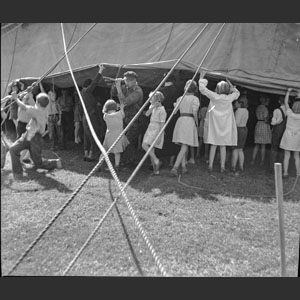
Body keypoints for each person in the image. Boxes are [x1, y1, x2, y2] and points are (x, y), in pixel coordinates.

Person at [9, 90, 62, 180]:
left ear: (37, 103)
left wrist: (16, 98)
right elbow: (40, 101)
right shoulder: (45, 108)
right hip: (28, 135)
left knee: (38, 163)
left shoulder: (36, 111)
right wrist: (29, 92)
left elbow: (23, 106)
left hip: (35, 139)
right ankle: (18, 173)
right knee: (13, 149)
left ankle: (55, 163)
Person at [198, 73, 240, 173]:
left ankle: (211, 166)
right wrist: (230, 85)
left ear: (217, 88)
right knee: (223, 146)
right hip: (225, 125)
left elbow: (202, 89)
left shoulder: (214, 96)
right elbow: (237, 92)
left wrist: (201, 77)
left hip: (215, 124)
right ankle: (222, 167)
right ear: (227, 90)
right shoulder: (229, 98)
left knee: (213, 145)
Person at [114, 71, 143, 168]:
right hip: (126, 118)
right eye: (125, 81)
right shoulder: (126, 88)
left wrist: (118, 88)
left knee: (129, 141)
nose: (126, 83)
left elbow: (125, 102)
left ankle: (129, 162)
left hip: (134, 120)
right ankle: (128, 161)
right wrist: (115, 85)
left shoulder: (137, 91)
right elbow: (114, 94)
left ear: (134, 81)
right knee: (124, 140)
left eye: (128, 81)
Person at [170, 80, 200, 176]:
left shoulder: (180, 98)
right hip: (189, 121)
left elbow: (174, 112)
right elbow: (195, 112)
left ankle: (183, 167)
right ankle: (175, 167)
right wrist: (196, 122)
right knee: (185, 145)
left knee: (183, 144)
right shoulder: (195, 99)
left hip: (181, 120)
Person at [80, 65, 104, 161]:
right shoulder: (86, 91)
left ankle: (86, 154)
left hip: (84, 117)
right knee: (94, 135)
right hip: (91, 117)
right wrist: (100, 71)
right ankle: (91, 155)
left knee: (86, 136)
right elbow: (94, 83)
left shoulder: (82, 93)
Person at [158, 72, 181, 167]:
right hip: (173, 115)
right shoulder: (178, 90)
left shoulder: (160, 91)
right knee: (172, 137)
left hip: (161, 115)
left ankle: (159, 159)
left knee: (160, 137)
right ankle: (171, 161)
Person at [100, 99, 129, 172]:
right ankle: (117, 166)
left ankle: (99, 165)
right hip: (118, 136)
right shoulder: (119, 114)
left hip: (109, 136)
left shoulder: (105, 116)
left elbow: (105, 112)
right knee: (117, 152)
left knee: (104, 151)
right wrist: (121, 107)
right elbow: (123, 114)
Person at [142, 91, 167, 175]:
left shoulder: (162, 110)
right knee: (151, 150)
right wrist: (153, 107)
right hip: (150, 128)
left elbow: (162, 124)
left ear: (158, 100)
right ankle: (155, 168)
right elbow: (147, 114)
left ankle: (156, 162)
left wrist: (159, 136)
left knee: (145, 145)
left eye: (151, 99)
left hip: (156, 129)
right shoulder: (152, 107)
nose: (150, 101)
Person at [279, 88, 300, 178]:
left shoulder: (289, 112)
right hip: (297, 136)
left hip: (288, 135)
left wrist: (288, 92)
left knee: (286, 155)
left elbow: (286, 102)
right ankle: (298, 173)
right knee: (296, 155)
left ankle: (285, 172)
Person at [39, 82, 63, 151]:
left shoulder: (57, 102)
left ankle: (61, 145)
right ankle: (53, 146)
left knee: (60, 133)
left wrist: (60, 120)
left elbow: (60, 112)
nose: (54, 97)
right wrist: (40, 83)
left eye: (54, 95)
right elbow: (43, 92)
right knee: (51, 133)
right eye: (52, 95)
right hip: (50, 118)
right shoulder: (48, 101)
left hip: (57, 117)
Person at [251, 95, 272, 166]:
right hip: (264, 125)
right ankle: (262, 161)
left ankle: (253, 159)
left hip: (258, 124)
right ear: (265, 101)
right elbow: (266, 119)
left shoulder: (258, 107)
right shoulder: (265, 109)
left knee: (256, 144)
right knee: (263, 145)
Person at [231, 96, 249, 175]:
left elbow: (237, 122)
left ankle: (233, 166)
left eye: (236, 102)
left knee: (235, 149)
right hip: (244, 129)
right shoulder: (246, 111)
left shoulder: (238, 111)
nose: (235, 104)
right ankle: (241, 166)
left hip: (238, 129)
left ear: (240, 103)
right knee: (240, 149)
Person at [269, 95, 287, 172]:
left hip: (277, 130)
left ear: (279, 101)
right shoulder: (288, 110)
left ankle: (272, 167)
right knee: (282, 149)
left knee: (274, 148)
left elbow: (273, 123)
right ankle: (282, 167)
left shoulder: (276, 110)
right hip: (285, 130)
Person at [196, 96, 209, 161]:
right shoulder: (210, 109)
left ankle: (197, 153)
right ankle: (206, 154)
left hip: (201, 124)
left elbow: (199, 117)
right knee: (206, 141)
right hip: (207, 125)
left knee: (200, 140)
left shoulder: (201, 109)